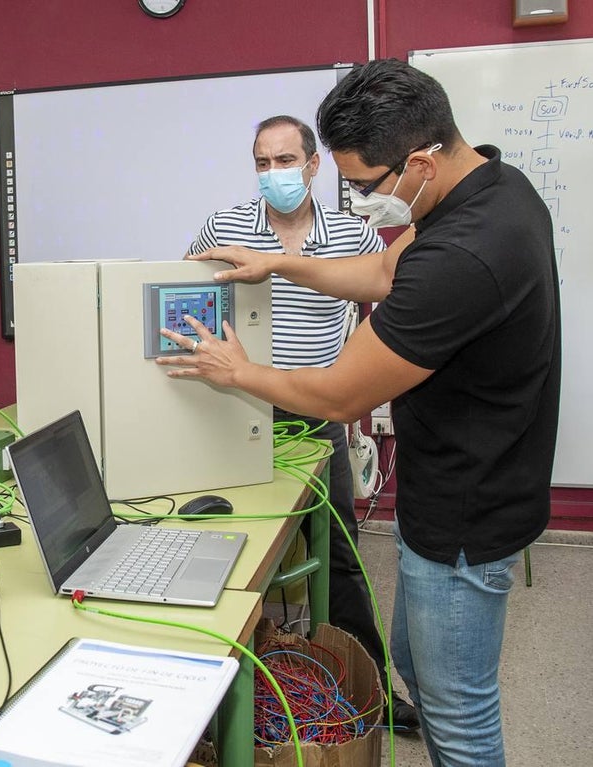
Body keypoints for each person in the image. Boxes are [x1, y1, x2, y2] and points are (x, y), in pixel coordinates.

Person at [160, 59, 560, 767]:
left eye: (366, 185)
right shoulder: (494, 185)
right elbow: (380, 272)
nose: (360, 199)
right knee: (415, 656)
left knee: (459, 711)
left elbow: (344, 394)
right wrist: (274, 263)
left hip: (466, 510)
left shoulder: (462, 255)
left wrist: (238, 371)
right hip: (461, 485)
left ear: (419, 163)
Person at [184, 114, 418, 732]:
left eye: (285, 161)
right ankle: (211, 700)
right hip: (239, 408)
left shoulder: (352, 233)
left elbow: (396, 294)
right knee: (227, 547)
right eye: (262, 163)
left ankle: (374, 694)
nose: (273, 174)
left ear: (314, 165)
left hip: (317, 411)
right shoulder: (224, 226)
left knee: (338, 552)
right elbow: (184, 296)